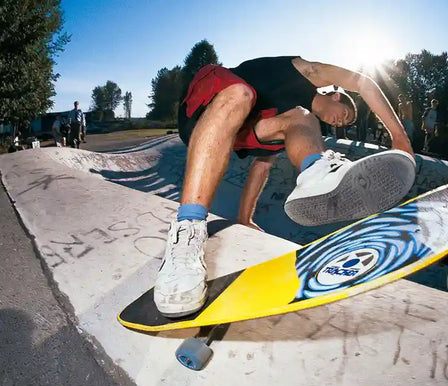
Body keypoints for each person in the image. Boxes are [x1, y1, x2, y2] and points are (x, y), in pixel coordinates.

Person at [154, 56, 415, 317]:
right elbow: (364, 82)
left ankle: (317, 173)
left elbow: (261, 168)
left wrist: (245, 219)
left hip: (236, 130)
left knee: (303, 120)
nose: (339, 123)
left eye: (343, 125)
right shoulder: (305, 72)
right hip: (207, 102)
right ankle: (187, 235)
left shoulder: (298, 119)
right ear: (336, 96)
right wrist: (400, 138)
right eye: (343, 115)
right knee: (241, 94)